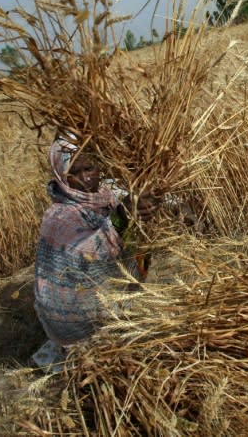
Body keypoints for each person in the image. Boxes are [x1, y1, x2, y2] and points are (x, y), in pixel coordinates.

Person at [31, 135, 160, 372]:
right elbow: (88, 255)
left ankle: (129, 300)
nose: (85, 178)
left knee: (139, 240)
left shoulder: (104, 194)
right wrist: (122, 216)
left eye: (90, 168)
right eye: (74, 172)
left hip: (102, 297)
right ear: (60, 176)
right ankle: (112, 320)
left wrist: (168, 203)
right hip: (73, 320)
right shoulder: (58, 216)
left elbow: (138, 196)